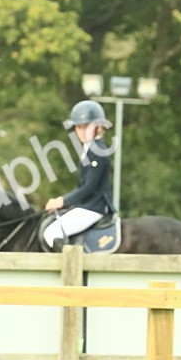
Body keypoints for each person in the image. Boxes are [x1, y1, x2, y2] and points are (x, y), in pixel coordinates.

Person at [42, 100, 116, 250]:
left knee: (51, 233)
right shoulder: (89, 150)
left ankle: (70, 271)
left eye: (86, 127)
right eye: (78, 127)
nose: (81, 132)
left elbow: (88, 187)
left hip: (94, 208)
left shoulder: (99, 151)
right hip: (86, 206)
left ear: (98, 127)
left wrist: (62, 201)